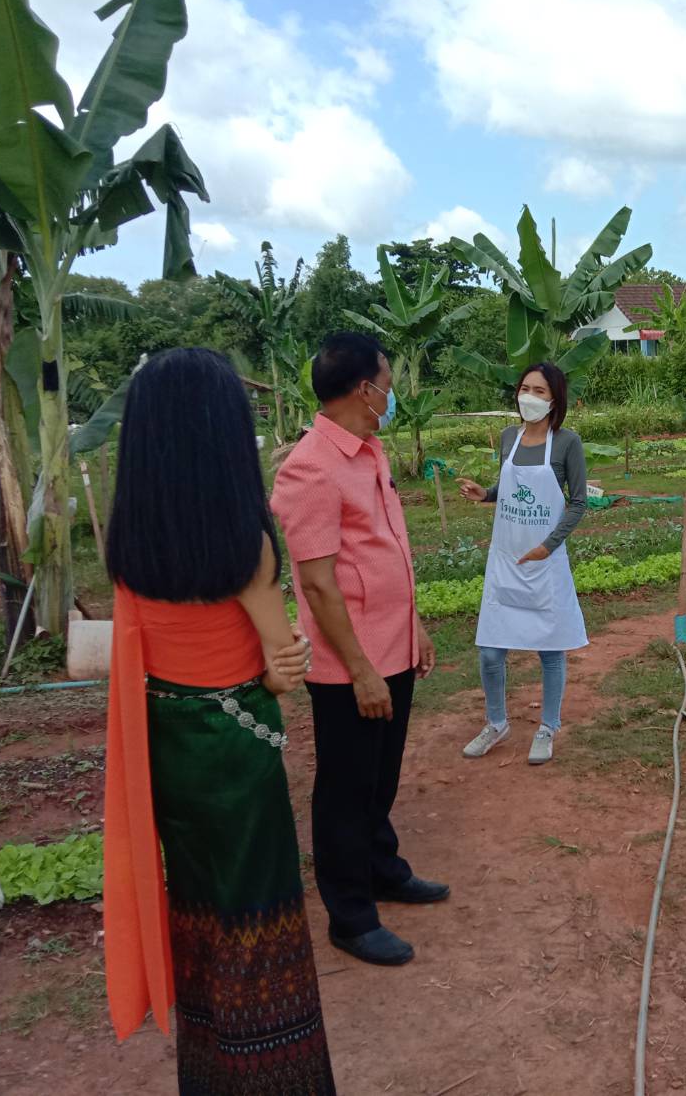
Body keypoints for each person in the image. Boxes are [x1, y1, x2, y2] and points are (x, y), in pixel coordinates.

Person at [102, 347, 335, 1094]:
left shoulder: (129, 543)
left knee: (196, 908)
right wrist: (286, 659)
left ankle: (207, 1075)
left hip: (165, 742)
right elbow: (281, 669)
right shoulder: (246, 544)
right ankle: (274, 1074)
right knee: (257, 913)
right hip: (235, 739)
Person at [271, 331, 446, 969]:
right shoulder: (310, 466)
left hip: (393, 646)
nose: (393, 389)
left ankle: (382, 869)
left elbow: (388, 550)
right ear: (363, 389)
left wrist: (415, 625)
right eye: (388, 380)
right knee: (346, 788)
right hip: (352, 666)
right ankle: (350, 913)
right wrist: (361, 668)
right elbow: (317, 583)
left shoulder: (369, 453)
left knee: (382, 775)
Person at [458, 362, 590, 765]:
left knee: (550, 651)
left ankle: (548, 725)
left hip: (544, 563)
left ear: (554, 400)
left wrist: (547, 547)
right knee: (490, 652)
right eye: (525, 388)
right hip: (506, 560)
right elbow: (510, 489)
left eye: (539, 391)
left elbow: (579, 502)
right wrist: (486, 494)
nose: (528, 397)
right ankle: (496, 723)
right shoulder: (508, 438)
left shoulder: (567, 443)